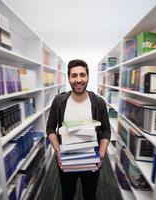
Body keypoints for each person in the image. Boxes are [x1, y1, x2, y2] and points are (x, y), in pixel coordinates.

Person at [46, 59, 111, 200]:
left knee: (90, 195)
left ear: (88, 77)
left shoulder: (98, 102)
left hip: (91, 159)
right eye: (74, 75)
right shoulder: (59, 101)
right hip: (66, 160)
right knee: (67, 194)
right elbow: (50, 128)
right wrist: (57, 151)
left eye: (82, 75)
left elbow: (106, 130)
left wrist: (101, 153)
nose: (79, 79)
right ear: (69, 78)